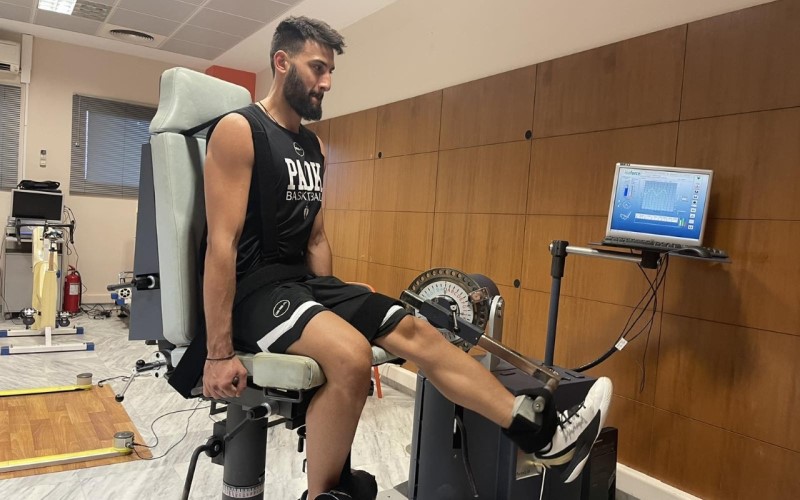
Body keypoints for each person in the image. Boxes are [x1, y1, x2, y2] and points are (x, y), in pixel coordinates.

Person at [200, 16, 613, 500]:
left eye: (330, 71)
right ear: (281, 62)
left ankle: (541, 435)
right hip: (255, 291)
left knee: (418, 329)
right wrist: (218, 353)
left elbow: (316, 238)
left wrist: (332, 305)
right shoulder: (240, 130)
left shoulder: (313, 145)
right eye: (317, 68)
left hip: (301, 287)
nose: (327, 82)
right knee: (351, 355)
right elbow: (222, 244)